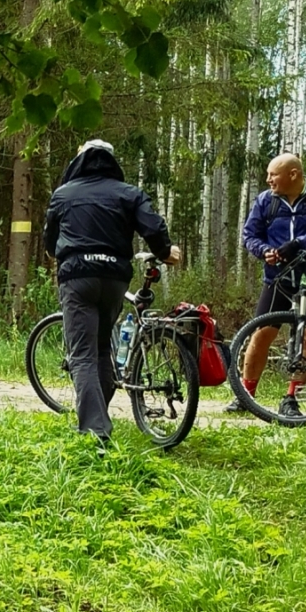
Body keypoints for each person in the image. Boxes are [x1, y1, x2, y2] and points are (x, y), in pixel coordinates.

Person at [42, 139, 181, 443]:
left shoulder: (63, 195)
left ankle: (95, 433)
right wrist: (164, 250)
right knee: (103, 349)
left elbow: (50, 244)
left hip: (78, 278)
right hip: (115, 278)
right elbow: (154, 228)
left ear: (79, 161)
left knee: (82, 355)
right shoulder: (128, 193)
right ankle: (98, 417)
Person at [229, 153, 306, 417]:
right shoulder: (265, 200)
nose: (268, 179)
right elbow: (250, 235)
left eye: (273, 174)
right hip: (279, 276)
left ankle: (292, 397)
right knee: (261, 333)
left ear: (293, 174)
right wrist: (264, 251)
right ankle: (246, 395)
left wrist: (299, 243)